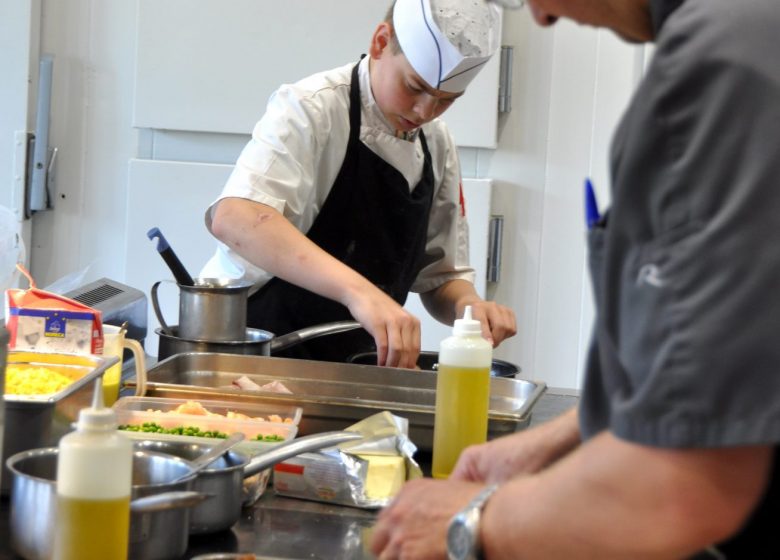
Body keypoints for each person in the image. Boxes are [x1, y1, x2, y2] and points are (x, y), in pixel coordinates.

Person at [371, 0, 780, 557]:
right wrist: (556, 442)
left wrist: (472, 522)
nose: (541, 18)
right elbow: (719, 367)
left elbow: (685, 483)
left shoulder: (728, 59)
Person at [201, 0, 517, 368]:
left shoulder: (437, 143)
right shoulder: (311, 108)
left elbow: (440, 277)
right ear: (381, 42)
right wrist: (359, 293)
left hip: (352, 366)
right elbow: (236, 217)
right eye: (414, 87)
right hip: (250, 351)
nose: (424, 112)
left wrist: (469, 308)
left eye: (446, 101)